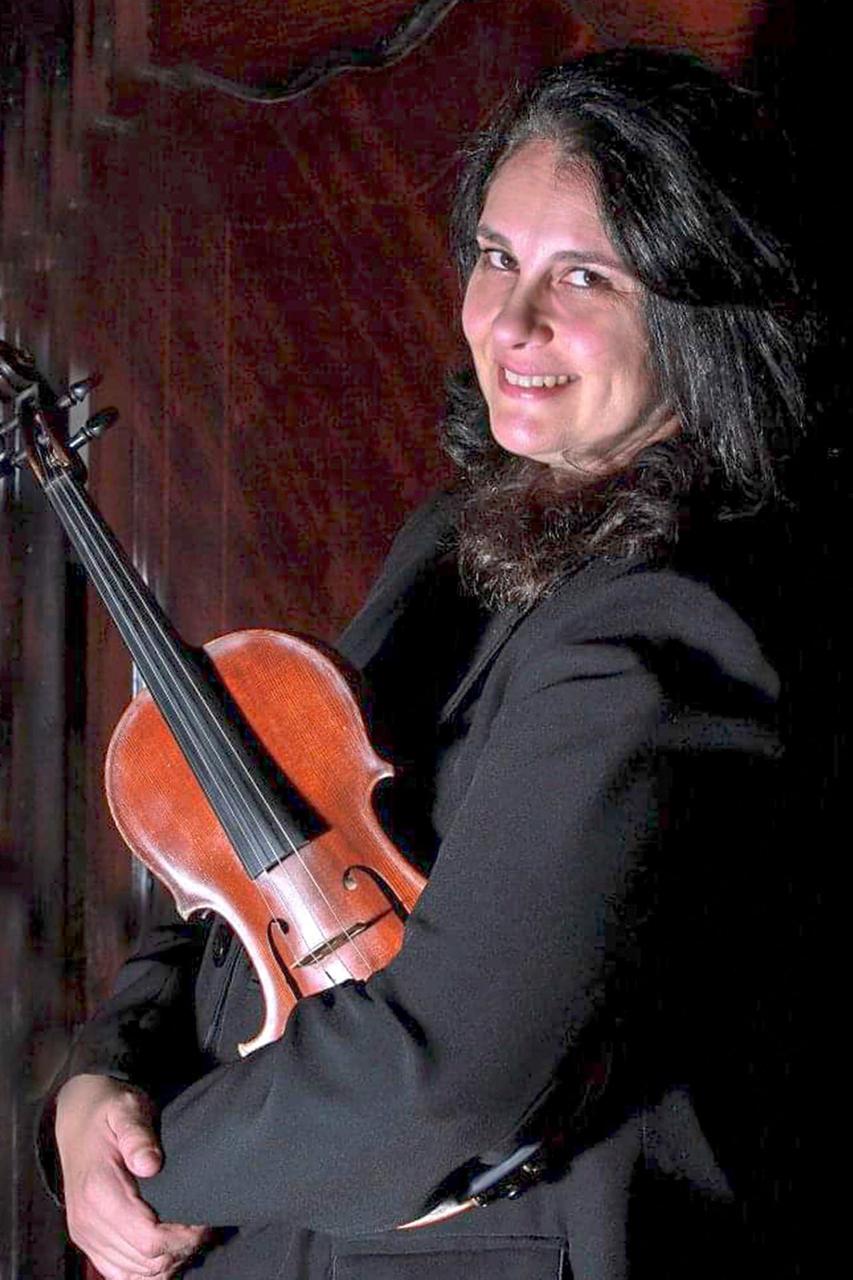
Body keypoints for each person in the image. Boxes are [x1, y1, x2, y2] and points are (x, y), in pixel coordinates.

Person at [45, 48, 806, 1280]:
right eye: (496, 256)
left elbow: (442, 1074)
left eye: (585, 275)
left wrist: (157, 1163)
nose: (510, 321)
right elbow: (264, 861)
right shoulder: (457, 534)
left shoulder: (668, 628)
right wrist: (100, 1078)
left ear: (696, 307)